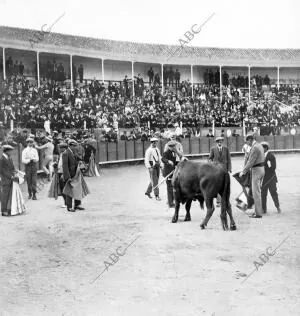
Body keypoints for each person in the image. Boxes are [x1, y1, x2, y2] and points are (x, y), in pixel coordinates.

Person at [239, 133, 265, 218]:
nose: (247, 144)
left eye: (247, 142)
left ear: (250, 140)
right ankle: (258, 211)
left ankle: (258, 213)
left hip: (256, 170)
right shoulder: (259, 145)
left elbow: (251, 162)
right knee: (257, 192)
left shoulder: (255, 147)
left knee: (256, 193)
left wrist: (243, 171)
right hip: (261, 169)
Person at [62, 140, 85, 212]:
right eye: (75, 146)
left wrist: (80, 161)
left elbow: (79, 159)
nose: (76, 147)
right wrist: (67, 177)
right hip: (70, 175)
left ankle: (77, 205)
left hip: (76, 174)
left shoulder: (73, 152)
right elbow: (65, 166)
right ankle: (69, 207)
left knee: (77, 188)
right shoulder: (66, 153)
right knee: (69, 190)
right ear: (70, 146)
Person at [208, 136, 232, 207]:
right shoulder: (213, 149)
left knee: (225, 185)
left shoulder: (226, 149)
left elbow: (229, 159)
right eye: (218, 141)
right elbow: (210, 158)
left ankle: (225, 201)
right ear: (216, 142)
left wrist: (229, 168)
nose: (219, 143)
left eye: (221, 141)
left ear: (222, 142)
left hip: (225, 170)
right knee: (218, 185)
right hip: (216, 170)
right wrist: (211, 167)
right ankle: (218, 202)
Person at [261, 142, 281, 214]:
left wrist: (264, 168)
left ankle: (278, 207)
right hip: (264, 179)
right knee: (263, 194)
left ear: (266, 148)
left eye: (262, 148)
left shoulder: (271, 156)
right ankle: (264, 209)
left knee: (273, 193)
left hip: (271, 178)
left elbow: (273, 167)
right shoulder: (261, 156)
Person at [0, 145, 21, 216]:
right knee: (5, 195)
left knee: (10, 194)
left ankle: (9, 209)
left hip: (11, 179)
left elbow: (12, 168)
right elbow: (2, 171)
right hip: (5, 180)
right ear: (6, 151)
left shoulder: (9, 158)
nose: (11, 152)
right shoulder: (2, 159)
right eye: (10, 151)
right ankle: (3, 210)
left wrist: (16, 171)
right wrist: (11, 176)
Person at [162, 140, 177, 208]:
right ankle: (170, 203)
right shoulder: (166, 152)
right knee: (169, 188)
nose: (174, 147)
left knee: (173, 187)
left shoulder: (173, 152)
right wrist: (168, 161)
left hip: (173, 172)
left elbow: (174, 162)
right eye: (173, 146)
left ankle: (170, 201)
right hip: (168, 172)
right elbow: (163, 159)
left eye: (174, 146)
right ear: (170, 147)